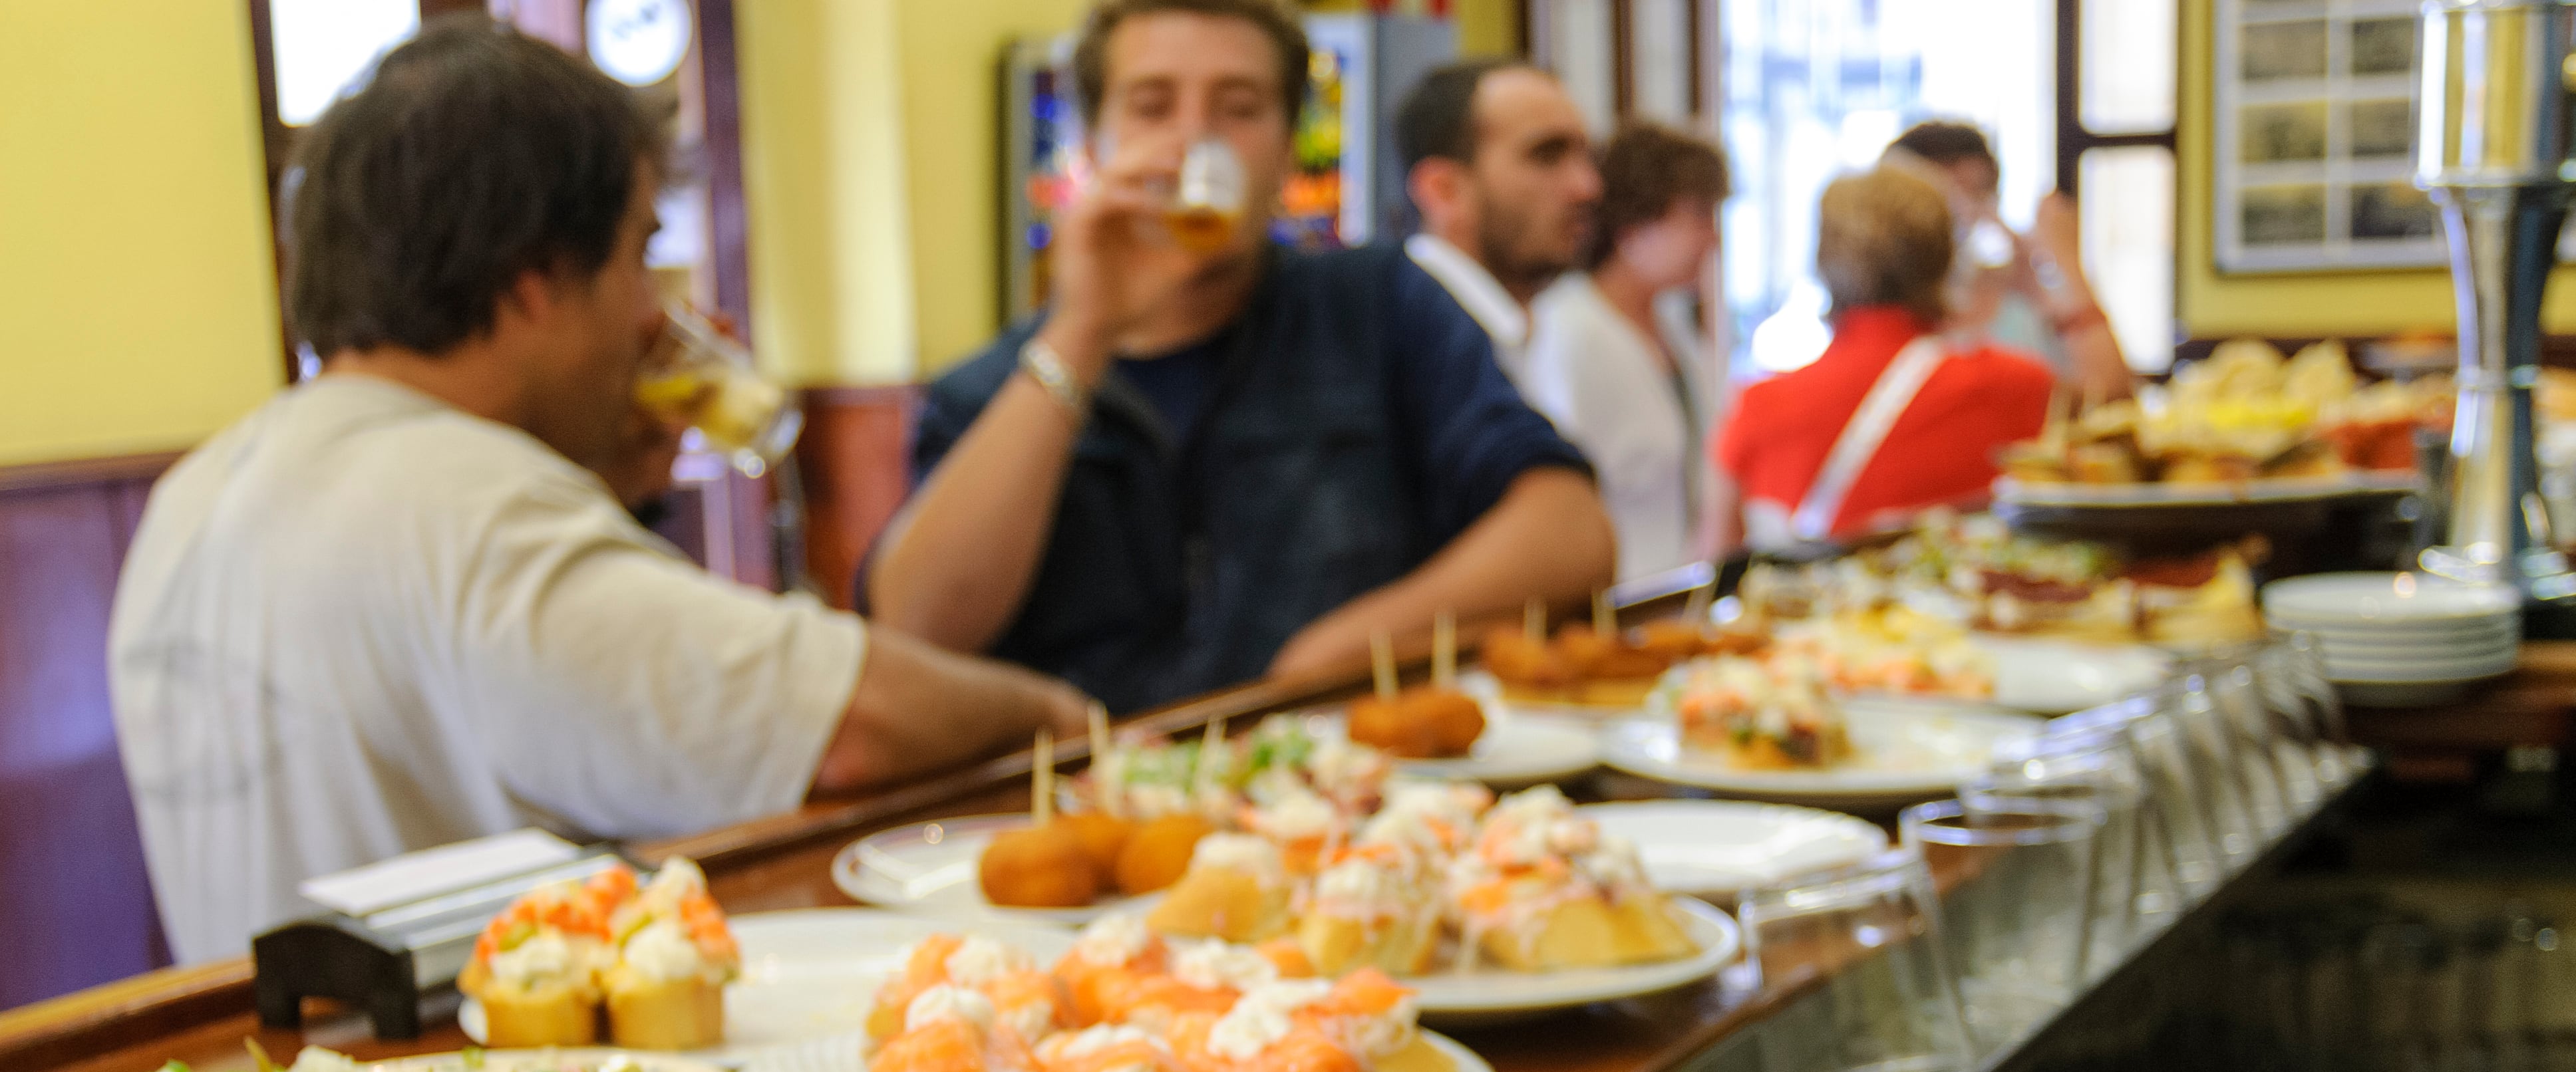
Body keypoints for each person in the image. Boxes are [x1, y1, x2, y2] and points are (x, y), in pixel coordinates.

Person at [108, 22, 1087, 964]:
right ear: (535, 280)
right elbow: (845, 727)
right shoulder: (470, 506)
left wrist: (603, 487)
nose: (650, 314)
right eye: (639, 255)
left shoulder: (200, 487)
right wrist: (1060, 716)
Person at [867, 0, 1611, 714]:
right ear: (1092, 145)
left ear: (1287, 149)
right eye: (1152, 106)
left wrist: (1327, 661)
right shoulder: (989, 390)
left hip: (1348, 795)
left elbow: (1570, 533)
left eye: (1239, 108)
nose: (1196, 141)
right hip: (1101, 808)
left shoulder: (1375, 306)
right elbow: (915, 631)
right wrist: (1080, 331)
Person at [1708, 165, 2054, 551]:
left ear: (1824, 264)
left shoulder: (1761, 407)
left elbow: (1714, 564)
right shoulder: (2021, 385)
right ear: (1945, 260)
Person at [1524, 120, 1728, 581]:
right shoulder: (1569, 333)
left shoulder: (1673, 329)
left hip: (1680, 594)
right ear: (1634, 222)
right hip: (1611, 601)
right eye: (1697, 215)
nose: (1712, 238)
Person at [1884, 120, 2134, 406]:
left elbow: (2113, 400)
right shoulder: (1882, 314)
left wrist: (2065, 266)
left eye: (1978, 193)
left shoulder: (2030, 290)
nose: (1964, 213)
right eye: (1944, 197)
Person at [1394, 59, 1605, 392]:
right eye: (1546, 155)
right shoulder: (1404, 349)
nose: (1588, 187)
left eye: (1587, 157)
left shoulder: (1516, 333)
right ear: (1443, 190)